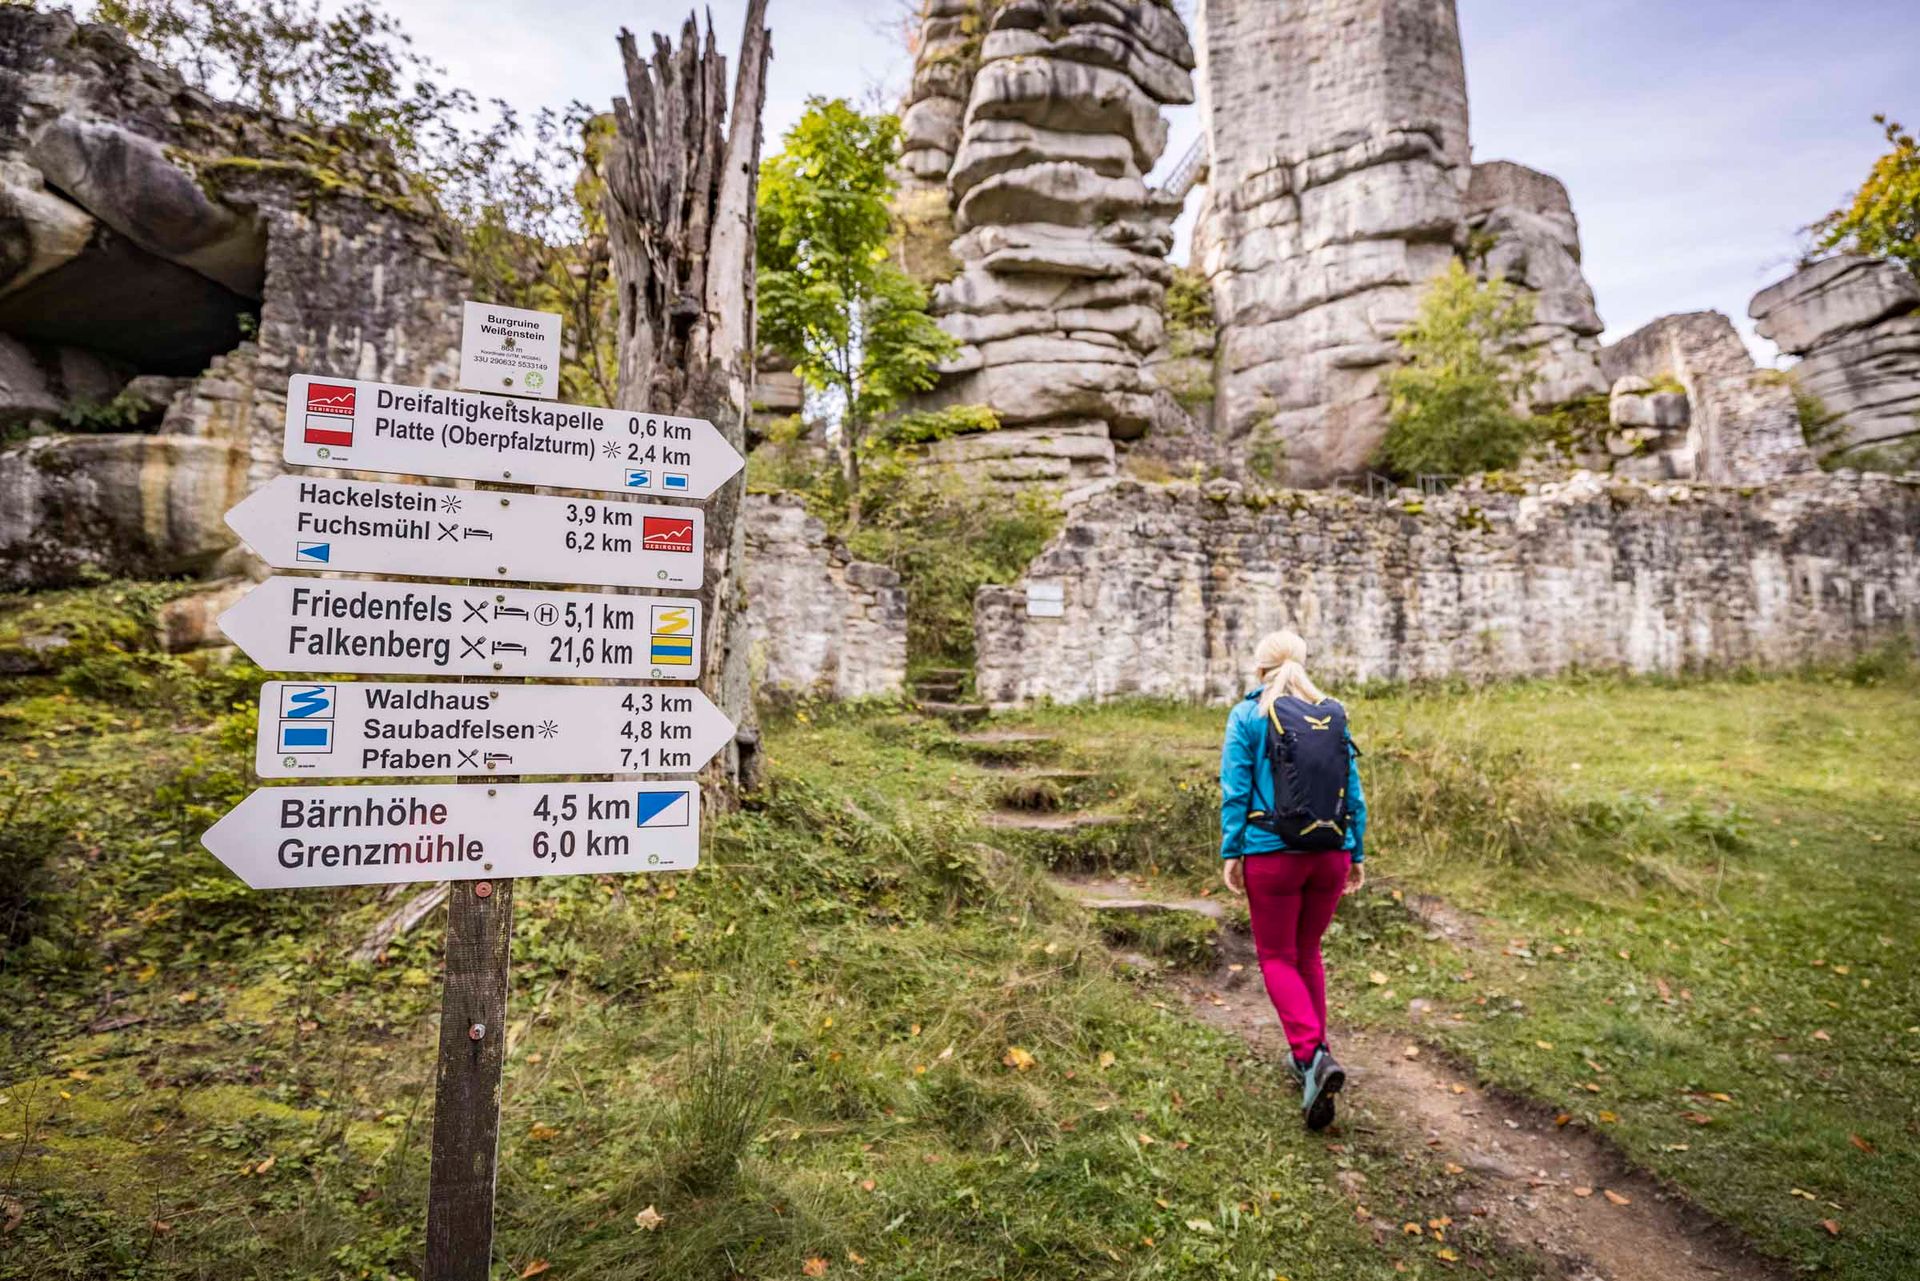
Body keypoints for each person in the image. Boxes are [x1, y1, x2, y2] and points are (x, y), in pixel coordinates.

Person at [1218, 629, 1366, 1131]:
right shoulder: (1333, 713)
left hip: (1272, 854)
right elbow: (1355, 794)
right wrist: (1357, 851)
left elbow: (1236, 791)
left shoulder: (1248, 716)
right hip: (1331, 852)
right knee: (1308, 952)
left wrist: (1232, 851)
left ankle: (1311, 1053)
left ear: (1258, 667)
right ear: (1304, 662)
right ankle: (1313, 1061)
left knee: (1277, 956)